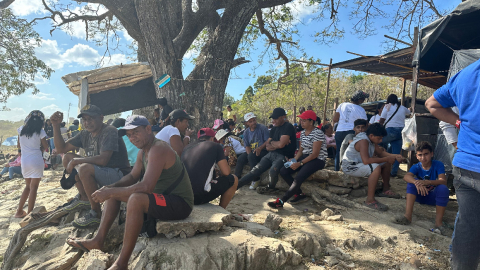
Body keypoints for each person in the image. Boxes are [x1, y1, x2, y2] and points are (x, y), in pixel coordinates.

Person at [66, 115, 193, 270]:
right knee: (114, 193)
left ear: (148, 129)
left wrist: (111, 191)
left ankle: (122, 264)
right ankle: (98, 241)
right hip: (162, 199)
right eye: (129, 135)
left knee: (135, 199)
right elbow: (133, 176)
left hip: (179, 203)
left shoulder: (158, 148)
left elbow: (146, 187)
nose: (132, 138)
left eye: (136, 132)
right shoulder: (143, 152)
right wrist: (110, 188)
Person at [424, 58, 480, 270]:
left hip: (467, 166)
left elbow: (431, 104)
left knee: (468, 226)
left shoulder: (466, 74)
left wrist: (459, 122)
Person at [50, 105, 131, 228]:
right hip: (102, 173)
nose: (87, 123)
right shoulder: (85, 134)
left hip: (119, 175)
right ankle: (85, 198)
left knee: (84, 168)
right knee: (67, 157)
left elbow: (103, 160)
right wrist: (55, 126)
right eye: (85, 119)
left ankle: (96, 213)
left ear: (101, 118)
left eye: (91, 119)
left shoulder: (109, 130)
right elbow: (61, 149)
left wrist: (78, 160)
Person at [268, 110, 327, 208]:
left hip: (317, 160)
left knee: (298, 177)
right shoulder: (303, 133)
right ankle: (299, 194)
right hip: (305, 157)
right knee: (283, 171)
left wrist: (300, 164)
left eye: (304, 121)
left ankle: (282, 201)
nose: (301, 122)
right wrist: (294, 160)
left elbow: (315, 154)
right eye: (301, 120)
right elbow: (300, 150)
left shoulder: (318, 133)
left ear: (311, 122)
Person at [342, 123, 403, 211]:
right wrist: (387, 158)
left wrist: (395, 156)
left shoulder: (370, 139)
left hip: (358, 164)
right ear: (371, 135)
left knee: (386, 163)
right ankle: (369, 200)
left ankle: (385, 190)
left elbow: (381, 153)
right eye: (379, 138)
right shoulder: (363, 141)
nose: (381, 140)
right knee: (376, 167)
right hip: (350, 166)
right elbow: (366, 161)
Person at [392, 141, 449, 234]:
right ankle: (407, 217)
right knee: (411, 182)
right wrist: (417, 183)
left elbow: (443, 181)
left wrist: (428, 182)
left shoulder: (438, 164)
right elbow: (406, 176)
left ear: (431, 154)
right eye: (420, 155)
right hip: (419, 196)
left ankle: (438, 223)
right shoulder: (416, 166)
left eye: (426, 154)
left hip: (433, 198)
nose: (423, 157)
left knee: (443, 188)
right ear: (417, 156)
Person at [237, 108, 296, 193]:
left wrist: (275, 143)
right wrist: (276, 144)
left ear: (283, 117)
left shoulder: (288, 126)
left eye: (276, 118)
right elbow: (268, 146)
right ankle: (236, 186)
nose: (273, 120)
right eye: (273, 118)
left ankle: (271, 187)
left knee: (273, 170)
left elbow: (280, 145)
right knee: (254, 170)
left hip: (285, 156)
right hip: (271, 154)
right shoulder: (274, 129)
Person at [181, 128, 238, 208]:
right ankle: (221, 209)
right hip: (198, 197)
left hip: (183, 196)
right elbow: (226, 172)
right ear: (212, 138)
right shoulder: (215, 146)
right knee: (234, 179)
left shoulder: (187, 147)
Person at [16, 110, 49, 218]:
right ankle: (29, 215)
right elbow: (46, 146)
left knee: (27, 187)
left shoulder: (21, 129)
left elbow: (18, 146)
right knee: (34, 187)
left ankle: (19, 212)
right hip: (36, 160)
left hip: (25, 161)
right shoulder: (40, 131)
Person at [332, 91, 369, 171]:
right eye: (363, 99)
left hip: (339, 131)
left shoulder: (342, 105)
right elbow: (365, 123)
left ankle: (337, 170)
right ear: (359, 100)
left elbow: (335, 119)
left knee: (339, 151)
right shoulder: (361, 110)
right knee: (350, 152)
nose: (363, 101)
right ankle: (348, 171)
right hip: (351, 132)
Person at [379, 94, 411, 177]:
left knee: (377, 142)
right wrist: (409, 109)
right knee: (397, 153)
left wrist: (379, 130)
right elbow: (409, 112)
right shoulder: (402, 108)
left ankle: (378, 166)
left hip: (391, 130)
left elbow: (382, 119)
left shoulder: (387, 107)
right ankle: (393, 172)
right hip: (401, 132)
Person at [235, 112, 270, 189]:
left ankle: (255, 179)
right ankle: (236, 178)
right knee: (241, 158)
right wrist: (249, 155)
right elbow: (247, 146)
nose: (253, 122)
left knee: (251, 156)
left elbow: (268, 141)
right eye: (250, 121)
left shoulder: (262, 128)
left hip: (263, 150)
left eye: (254, 120)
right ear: (247, 123)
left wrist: (260, 148)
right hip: (253, 151)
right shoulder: (246, 132)